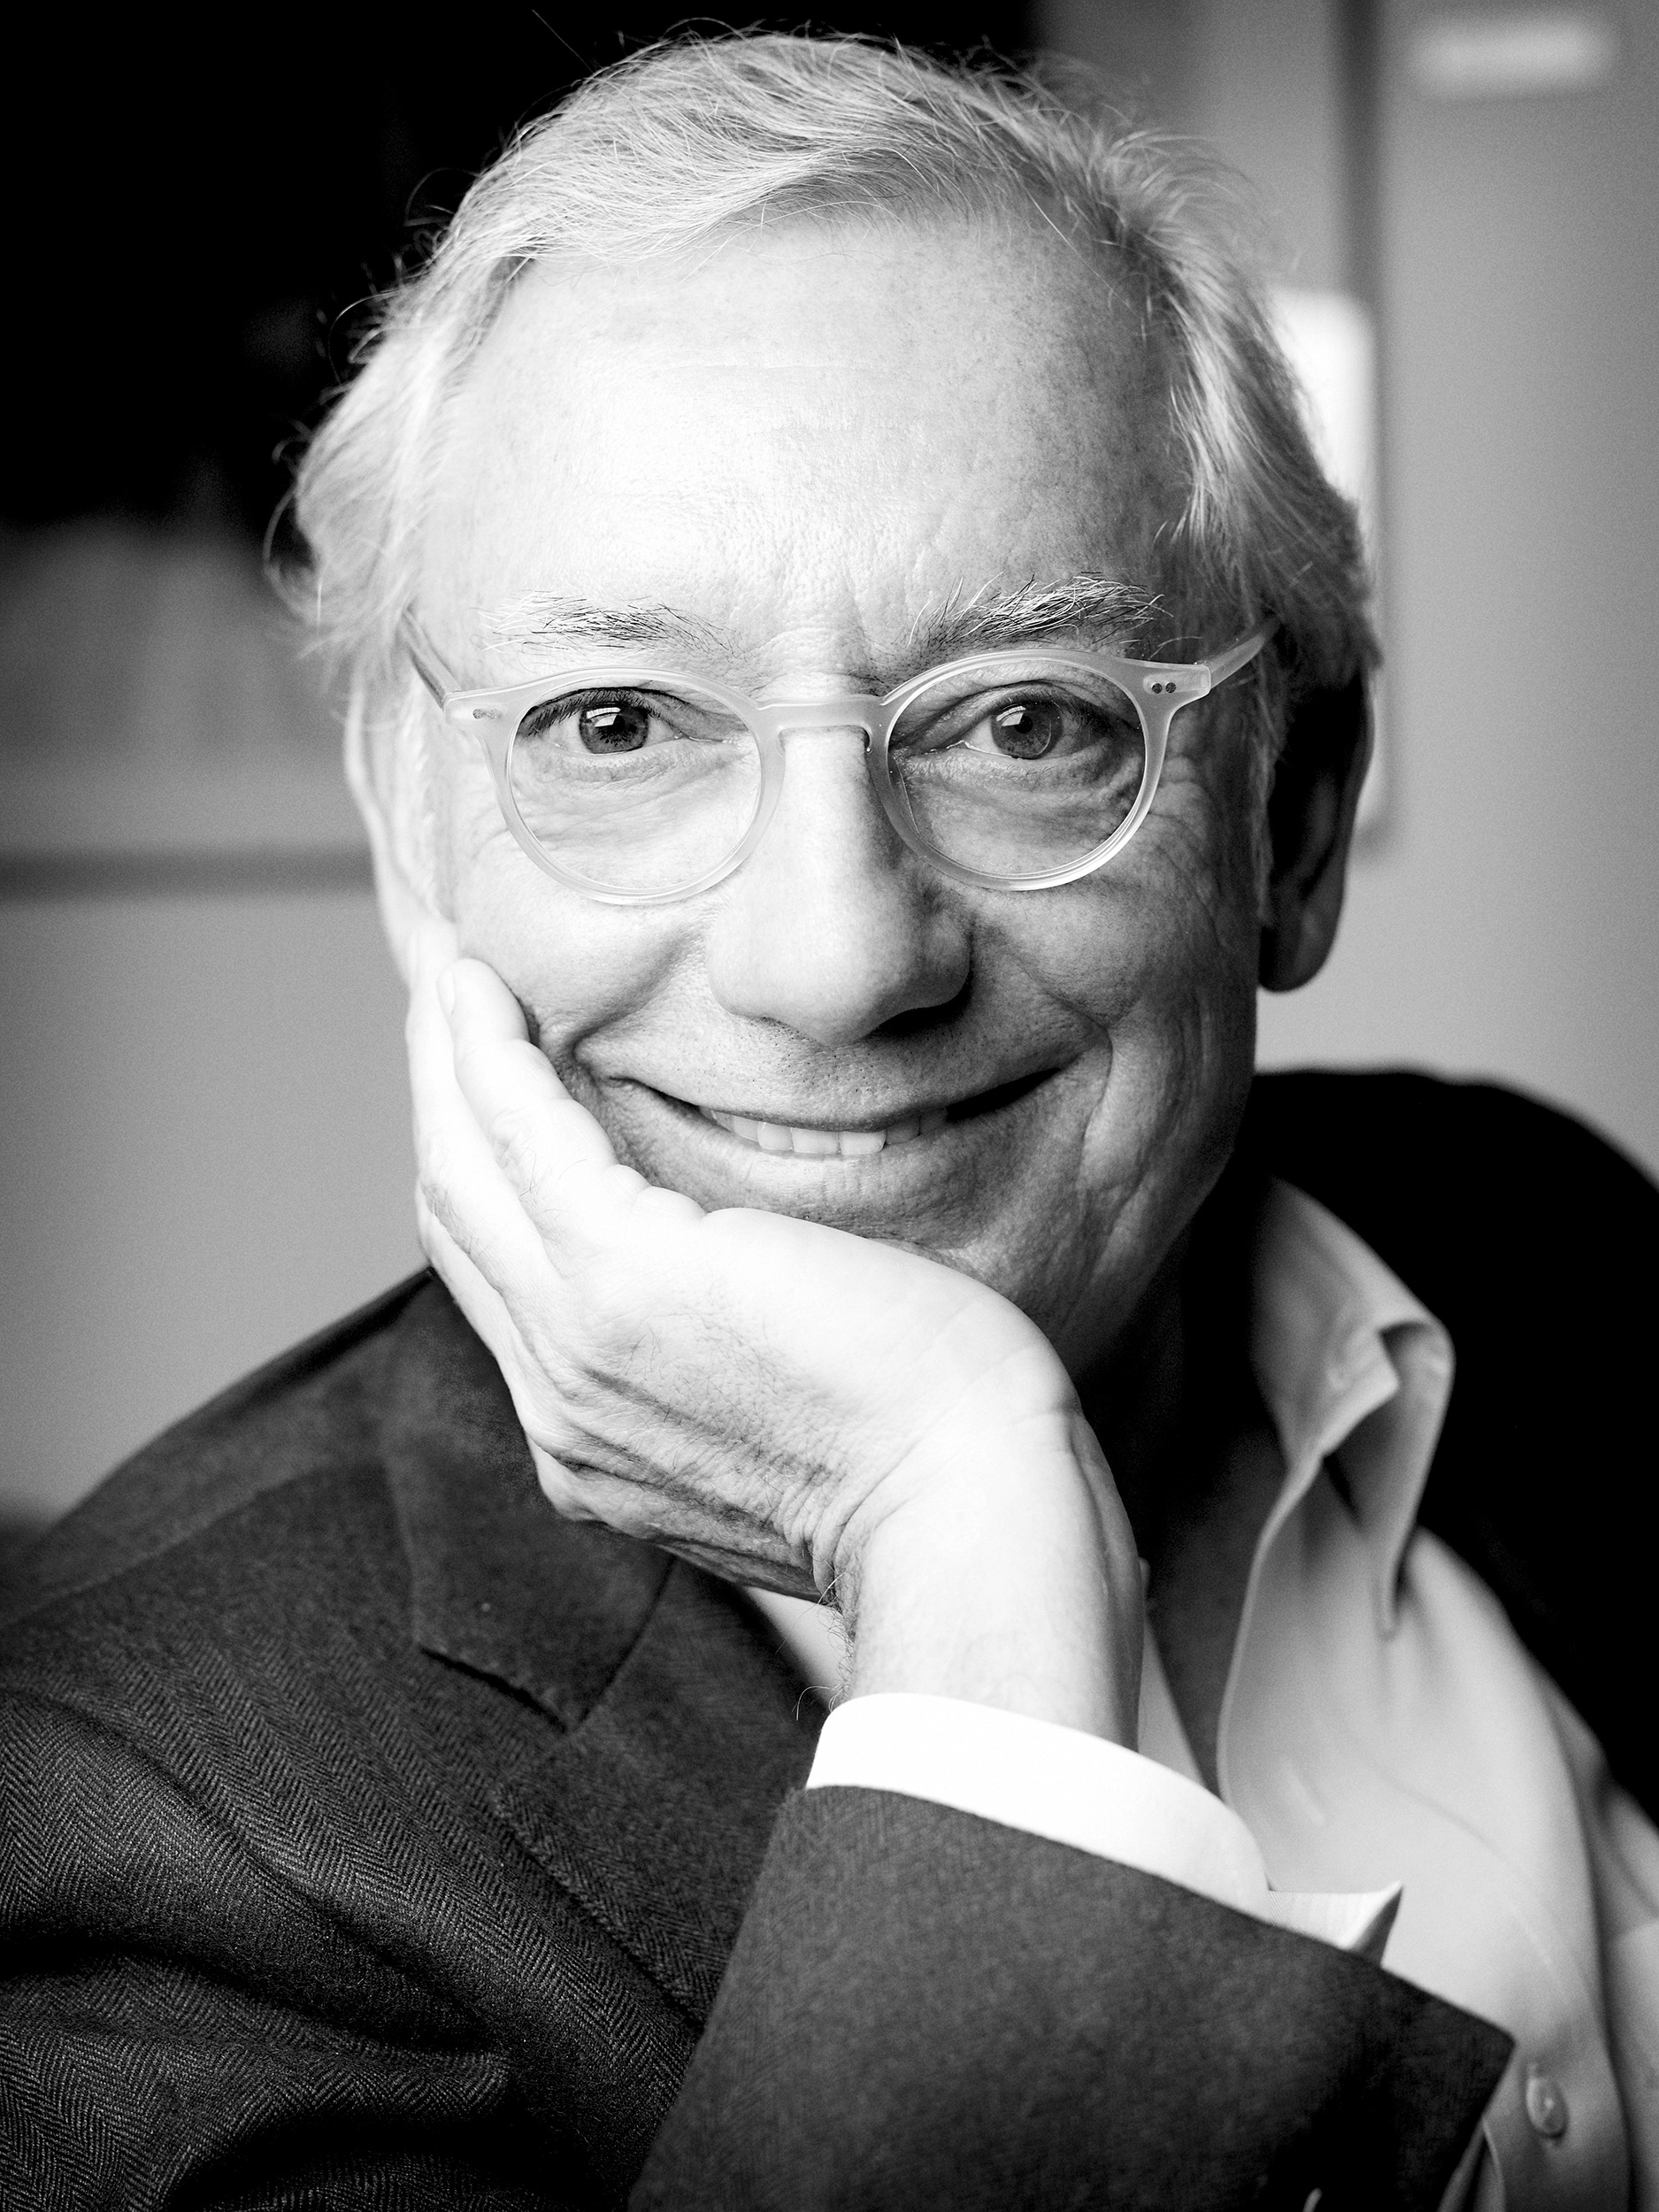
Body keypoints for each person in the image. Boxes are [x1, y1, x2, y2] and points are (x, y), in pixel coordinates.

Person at [3, 34, 1655, 2211]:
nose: (836, 954)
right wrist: (955, 1535)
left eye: (1024, 722)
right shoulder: (129, 1822)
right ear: (415, 836)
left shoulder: (1535, 1230)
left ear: (1295, 814)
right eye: (619, 723)